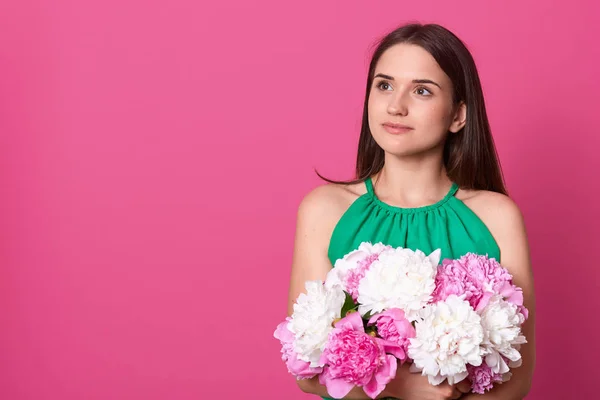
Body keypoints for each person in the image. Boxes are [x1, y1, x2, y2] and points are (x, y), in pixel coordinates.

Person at [286, 23, 536, 400]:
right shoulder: (324, 210)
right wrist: (403, 388)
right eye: (384, 85)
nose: (395, 105)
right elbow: (305, 368)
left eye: (421, 90)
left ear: (458, 116)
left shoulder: (497, 217)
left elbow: (517, 380)